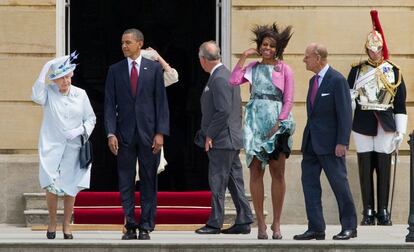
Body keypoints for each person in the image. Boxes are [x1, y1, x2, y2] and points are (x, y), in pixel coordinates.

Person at [229, 23, 295, 240]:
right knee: (256, 171)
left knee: (278, 172)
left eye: (271, 45)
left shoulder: (284, 69)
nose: (267, 48)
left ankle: (276, 223)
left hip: (277, 124)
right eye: (264, 44)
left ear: (278, 48)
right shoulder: (253, 68)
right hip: (255, 123)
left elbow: (288, 100)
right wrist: (244, 57)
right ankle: (261, 224)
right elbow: (233, 80)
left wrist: (280, 121)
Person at [104, 28, 169, 240]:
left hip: (150, 135)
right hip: (124, 135)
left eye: (128, 42)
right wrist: (110, 133)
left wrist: (160, 133)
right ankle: (130, 224)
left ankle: (146, 226)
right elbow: (108, 105)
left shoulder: (153, 69)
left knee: (149, 180)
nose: (124, 46)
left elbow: (161, 103)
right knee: (125, 180)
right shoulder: (115, 70)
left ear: (140, 44)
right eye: (122, 42)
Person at [347, 10, 407, 226]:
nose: (374, 52)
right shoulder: (356, 71)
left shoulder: (393, 70)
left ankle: (383, 210)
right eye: (371, 49)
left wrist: (400, 130)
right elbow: (348, 101)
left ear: (382, 48)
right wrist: (351, 99)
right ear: (366, 49)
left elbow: (399, 103)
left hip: (386, 122)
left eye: (378, 48)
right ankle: (368, 210)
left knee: (383, 165)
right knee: (365, 165)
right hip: (362, 121)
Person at [294, 43, 357, 241]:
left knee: (340, 185)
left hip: (332, 145)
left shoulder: (337, 80)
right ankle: (316, 227)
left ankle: (349, 227)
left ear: (318, 57)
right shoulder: (313, 81)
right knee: (310, 185)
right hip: (311, 143)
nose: (304, 60)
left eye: (307, 57)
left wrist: (342, 142)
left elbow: (345, 113)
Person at [31, 53, 96, 240]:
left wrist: (79, 131)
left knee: (70, 186)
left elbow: (91, 118)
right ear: (55, 80)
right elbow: (35, 95)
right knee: (50, 185)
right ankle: (52, 222)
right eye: (61, 78)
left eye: (68, 77)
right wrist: (46, 67)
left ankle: (67, 225)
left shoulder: (80, 94)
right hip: (51, 146)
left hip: (73, 147)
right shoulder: (48, 92)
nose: (65, 81)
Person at [194, 41, 253, 235]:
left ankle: (214, 222)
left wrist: (209, 134)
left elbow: (223, 110)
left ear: (203, 60)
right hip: (231, 138)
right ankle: (244, 218)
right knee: (235, 181)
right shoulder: (226, 74)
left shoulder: (218, 78)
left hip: (222, 139)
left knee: (217, 180)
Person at [135, 47, 179, 178]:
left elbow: (173, 76)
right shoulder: (128, 76)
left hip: (150, 128)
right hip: (132, 127)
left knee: (149, 167)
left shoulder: (155, 80)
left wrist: (158, 57)